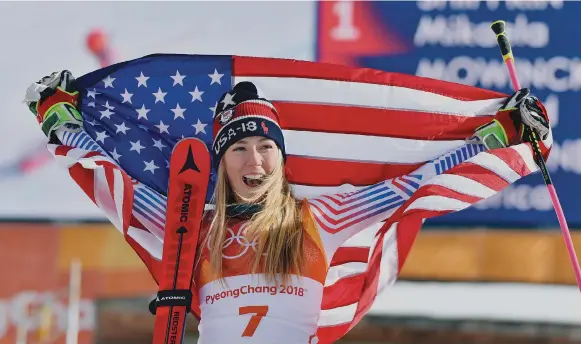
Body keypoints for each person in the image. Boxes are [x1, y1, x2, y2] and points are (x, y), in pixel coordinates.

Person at [25, 71, 550, 343]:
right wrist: (58, 116)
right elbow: (113, 188)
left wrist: (499, 134)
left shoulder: (319, 219)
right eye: (238, 148)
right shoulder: (192, 227)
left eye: (266, 147)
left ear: (281, 156)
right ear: (223, 160)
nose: (254, 160)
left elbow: (413, 185)